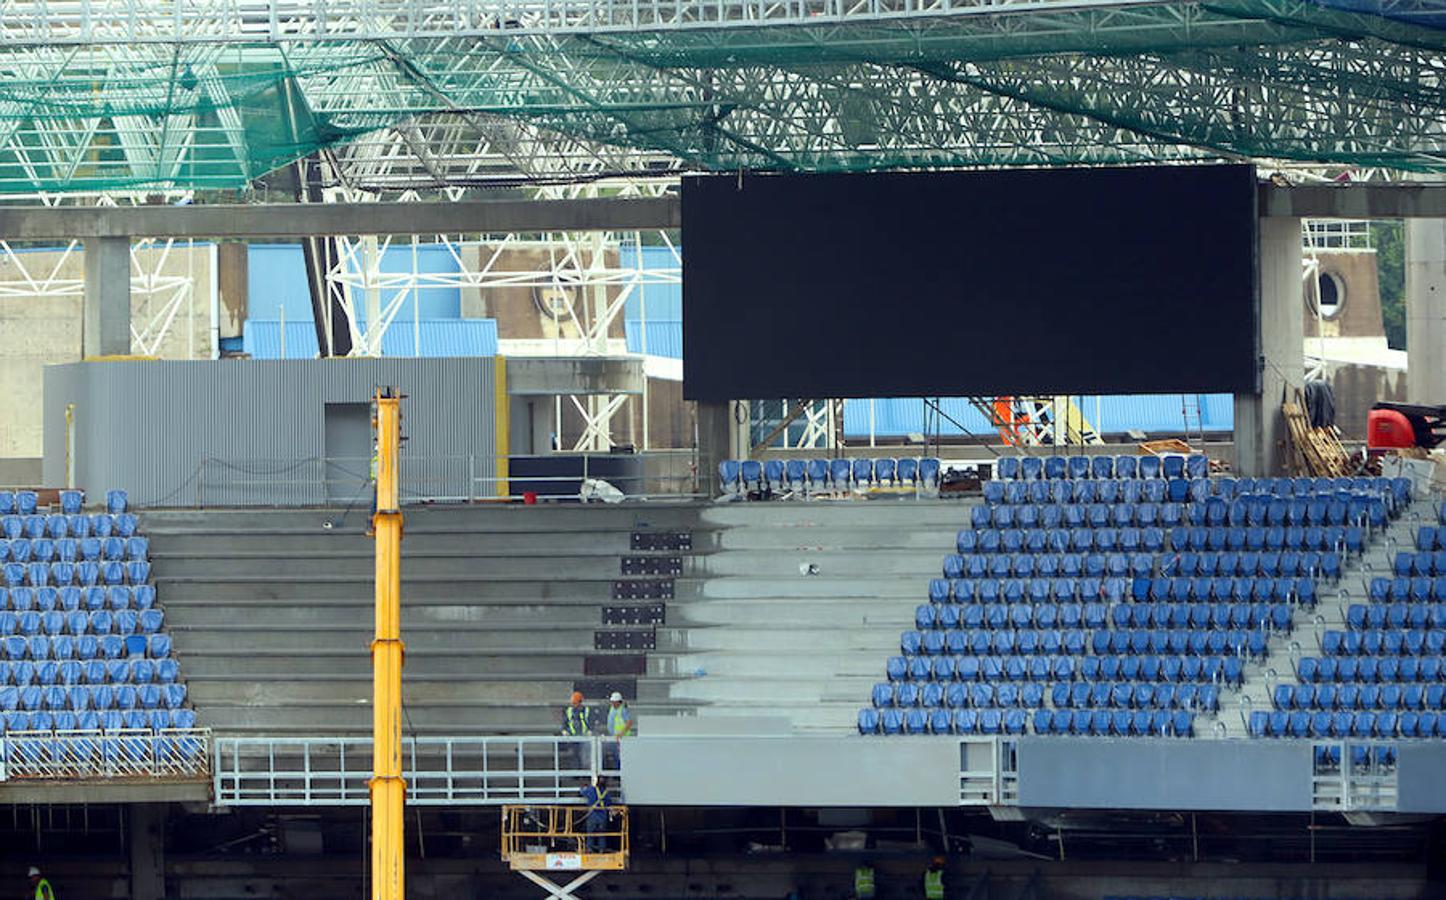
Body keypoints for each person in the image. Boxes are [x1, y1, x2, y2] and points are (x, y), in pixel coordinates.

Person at [579, 775, 616, 852]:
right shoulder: (606, 793)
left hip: (592, 815)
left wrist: (583, 786)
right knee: (601, 835)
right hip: (602, 817)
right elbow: (609, 803)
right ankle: (601, 850)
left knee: (590, 834)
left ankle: (590, 849)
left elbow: (582, 792)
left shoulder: (591, 790)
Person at [561, 691, 591, 771]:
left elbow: (590, 722)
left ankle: (585, 772)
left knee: (585, 755)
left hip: (585, 738)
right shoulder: (569, 711)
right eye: (573, 703)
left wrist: (589, 731)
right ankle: (576, 772)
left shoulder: (586, 710)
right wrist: (564, 731)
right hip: (573, 738)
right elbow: (565, 723)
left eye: (576, 703)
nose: (574, 705)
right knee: (574, 755)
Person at [604, 691, 633, 769]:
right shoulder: (612, 709)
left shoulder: (622, 710)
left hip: (622, 738)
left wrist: (621, 734)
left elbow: (629, 723)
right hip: (614, 737)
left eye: (614, 702)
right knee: (613, 755)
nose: (613, 703)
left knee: (620, 756)